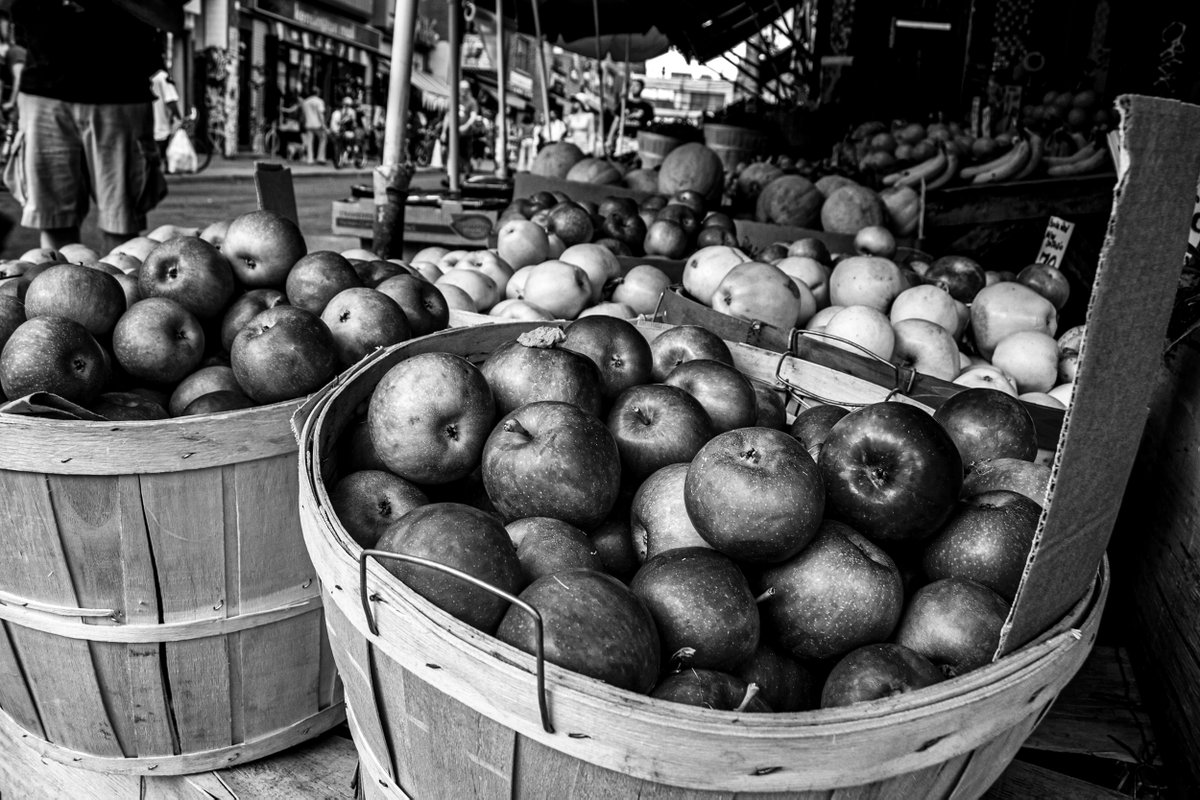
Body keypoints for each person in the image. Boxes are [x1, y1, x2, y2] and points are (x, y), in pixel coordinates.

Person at [4, 0, 176, 253]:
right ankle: (55, 291)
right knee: (54, 222)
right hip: (43, 91)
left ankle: (123, 288)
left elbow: (171, 17)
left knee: (122, 223)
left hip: (121, 92)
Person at [442, 79, 482, 174]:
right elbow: (448, 115)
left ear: (468, 90)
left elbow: (473, 116)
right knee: (450, 153)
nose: (463, 90)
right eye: (462, 88)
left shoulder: (472, 102)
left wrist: (466, 126)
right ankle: (450, 176)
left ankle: (467, 176)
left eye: (466, 89)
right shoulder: (453, 99)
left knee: (465, 156)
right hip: (452, 132)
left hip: (465, 134)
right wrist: (443, 131)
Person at [607, 78, 655, 157]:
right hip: (623, 138)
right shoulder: (624, 104)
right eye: (632, 85)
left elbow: (650, 125)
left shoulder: (647, 107)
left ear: (642, 88)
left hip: (637, 140)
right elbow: (616, 121)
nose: (634, 87)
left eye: (637, 85)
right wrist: (609, 138)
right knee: (619, 158)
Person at [150, 65, 181, 162]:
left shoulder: (152, 78)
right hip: (161, 126)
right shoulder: (163, 77)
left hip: (150, 126)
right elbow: (171, 100)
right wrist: (178, 116)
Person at [300, 86, 327, 164]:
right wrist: (323, 124)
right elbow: (320, 113)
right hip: (318, 124)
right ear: (318, 93)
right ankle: (320, 157)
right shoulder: (319, 101)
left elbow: (303, 114)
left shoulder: (306, 102)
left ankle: (310, 159)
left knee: (309, 142)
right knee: (323, 139)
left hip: (308, 123)